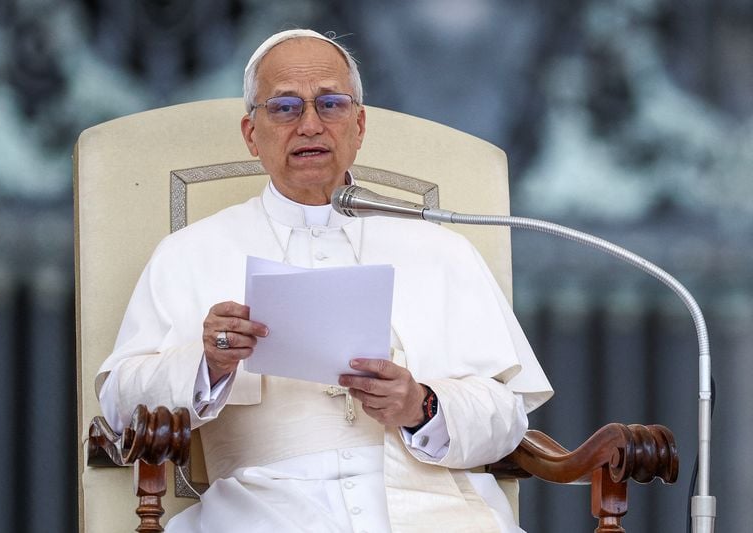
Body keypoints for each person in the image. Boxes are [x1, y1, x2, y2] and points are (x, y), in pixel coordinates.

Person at [97, 29, 553, 533]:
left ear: (359, 125)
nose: (310, 124)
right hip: (262, 511)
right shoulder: (189, 253)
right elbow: (119, 406)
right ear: (251, 134)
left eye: (331, 104)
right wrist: (208, 364)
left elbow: (508, 419)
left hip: (436, 512)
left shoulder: (440, 248)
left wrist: (420, 405)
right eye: (285, 107)